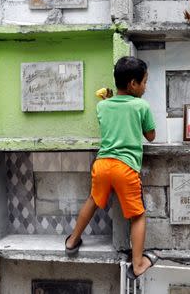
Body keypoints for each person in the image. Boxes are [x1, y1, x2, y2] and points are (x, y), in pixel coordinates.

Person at [64, 56, 158, 280]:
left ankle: (72, 241)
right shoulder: (141, 105)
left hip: (102, 164)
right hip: (125, 167)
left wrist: (109, 99)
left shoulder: (103, 106)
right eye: (144, 82)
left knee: (93, 200)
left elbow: (111, 120)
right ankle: (137, 264)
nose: (145, 87)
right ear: (133, 84)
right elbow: (151, 136)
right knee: (137, 215)